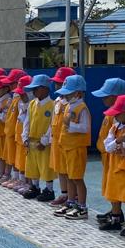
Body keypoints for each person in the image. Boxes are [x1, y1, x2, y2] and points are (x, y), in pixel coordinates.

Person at [99, 94, 125, 232]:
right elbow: (107, 145)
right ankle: (115, 219)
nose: (115, 116)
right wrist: (120, 140)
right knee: (114, 194)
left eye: (119, 113)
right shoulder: (115, 127)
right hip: (114, 166)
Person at [91, 78, 125, 223]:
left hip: (113, 156)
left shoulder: (119, 117)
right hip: (106, 155)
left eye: (106, 96)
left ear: (116, 97)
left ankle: (117, 214)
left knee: (115, 186)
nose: (103, 99)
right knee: (109, 185)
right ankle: (115, 211)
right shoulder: (110, 114)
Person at [53, 74, 92, 219]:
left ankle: (82, 207)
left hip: (76, 148)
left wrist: (71, 125)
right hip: (67, 146)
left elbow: (85, 128)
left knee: (77, 178)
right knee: (69, 176)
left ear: (78, 93)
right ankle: (70, 202)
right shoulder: (69, 106)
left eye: (69, 93)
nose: (66, 96)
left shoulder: (82, 108)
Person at [22, 74, 57, 201]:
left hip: (44, 142)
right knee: (32, 165)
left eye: (36, 88)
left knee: (46, 166)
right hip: (32, 140)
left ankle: (49, 189)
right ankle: (35, 187)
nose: (33, 91)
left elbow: (52, 124)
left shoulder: (52, 105)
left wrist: (45, 140)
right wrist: (24, 136)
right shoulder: (32, 104)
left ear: (45, 88)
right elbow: (27, 121)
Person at [48, 66, 76, 206]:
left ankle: (73, 196)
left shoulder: (72, 104)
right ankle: (64, 193)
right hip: (56, 140)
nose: (56, 85)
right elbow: (52, 120)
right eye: (56, 82)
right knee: (59, 168)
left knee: (68, 170)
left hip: (66, 141)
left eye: (60, 83)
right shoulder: (57, 100)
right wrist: (49, 136)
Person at [11, 75, 34, 192]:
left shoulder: (33, 105)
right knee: (20, 160)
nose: (20, 95)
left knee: (28, 163)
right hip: (21, 135)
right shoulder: (21, 103)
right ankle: (22, 181)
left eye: (23, 93)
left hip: (29, 138)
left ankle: (30, 184)